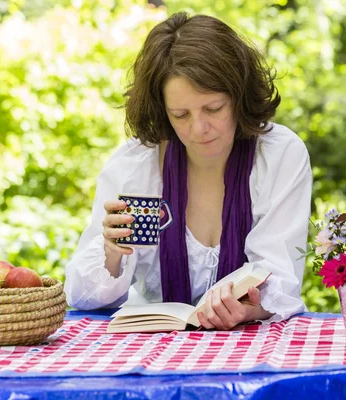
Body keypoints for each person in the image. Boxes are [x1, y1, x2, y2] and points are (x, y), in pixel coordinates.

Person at [64, 12, 312, 330]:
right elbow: (84, 298)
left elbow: (280, 274)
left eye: (213, 108)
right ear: (162, 111)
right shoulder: (136, 166)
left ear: (239, 96)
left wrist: (250, 307)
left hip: (249, 349)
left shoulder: (278, 155)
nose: (199, 129)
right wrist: (111, 252)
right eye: (180, 114)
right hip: (152, 350)